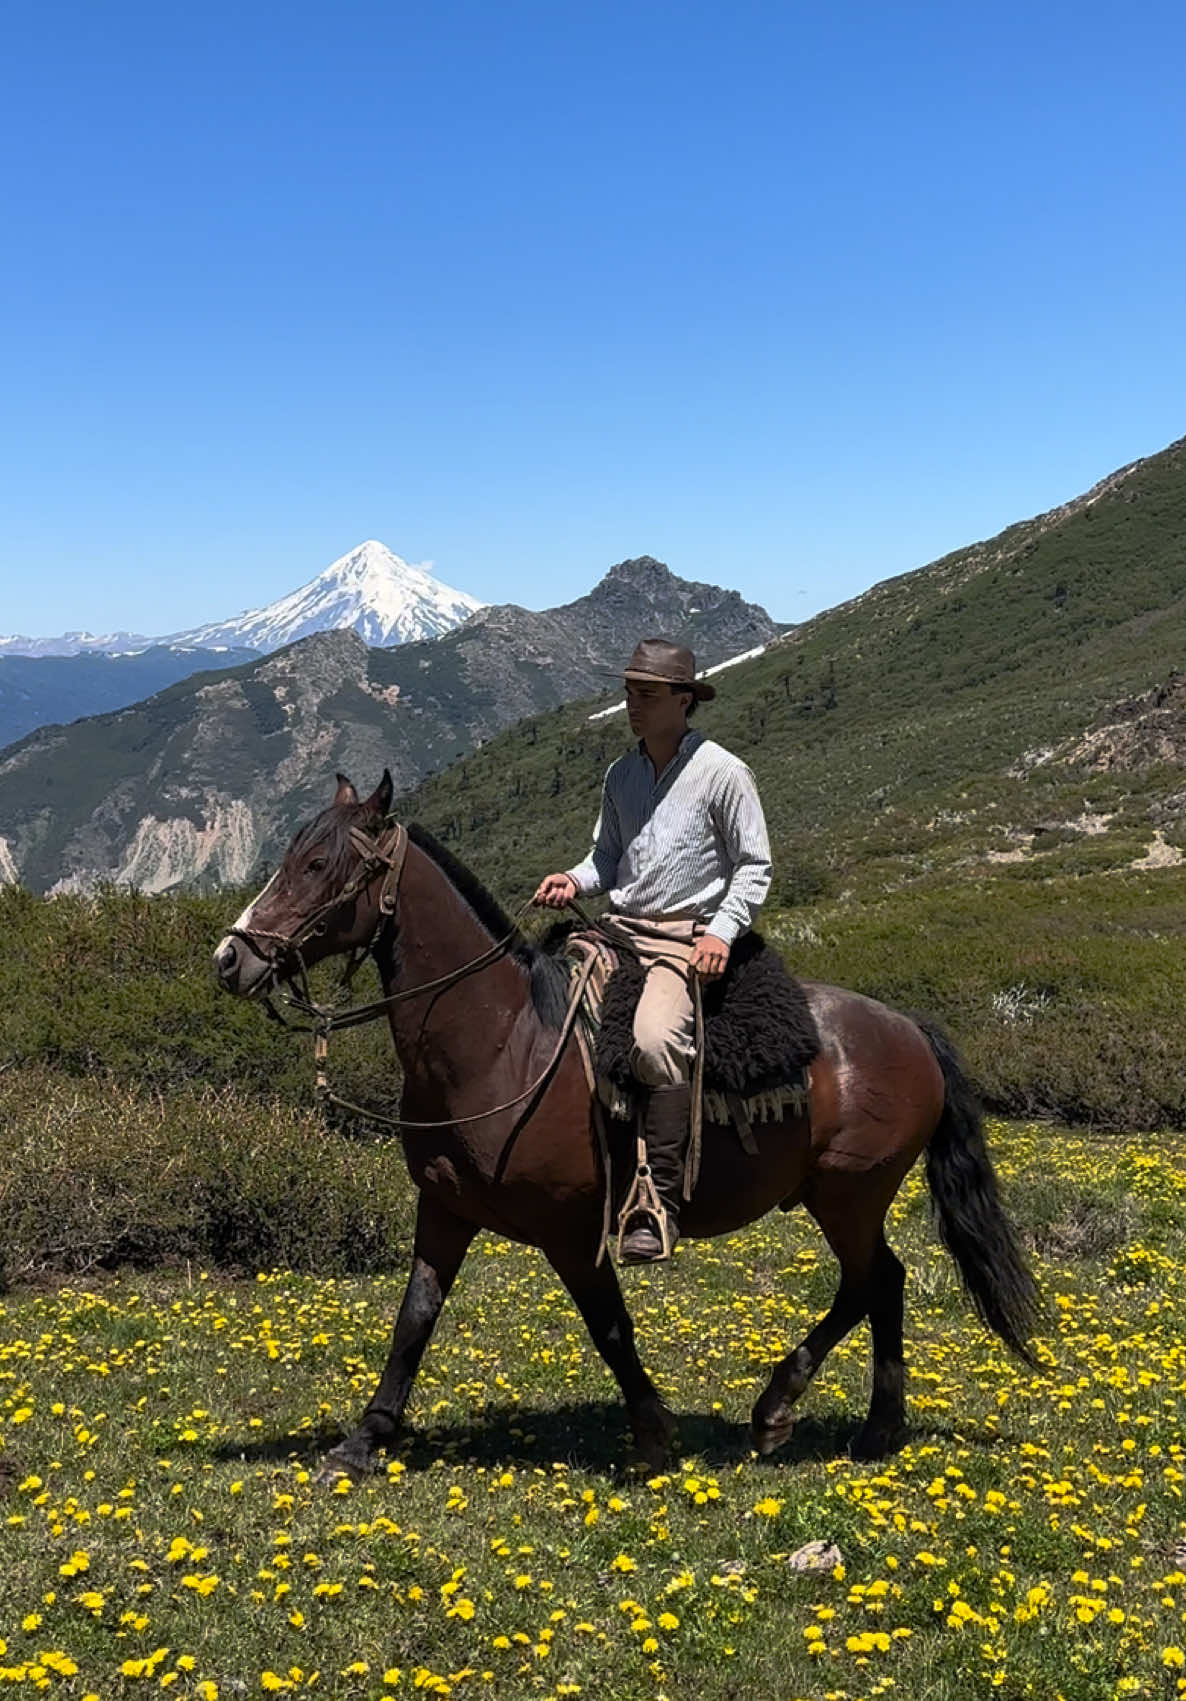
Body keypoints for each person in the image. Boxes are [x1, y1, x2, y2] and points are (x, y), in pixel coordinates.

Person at [534, 636, 772, 1262]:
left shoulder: (724, 773)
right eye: (629, 693)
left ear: (683, 699)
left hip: (681, 936)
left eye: (646, 694)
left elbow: (753, 866)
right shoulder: (621, 773)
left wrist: (721, 931)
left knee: (654, 1040)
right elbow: (607, 858)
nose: (632, 705)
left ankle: (655, 1203)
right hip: (618, 926)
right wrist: (574, 880)